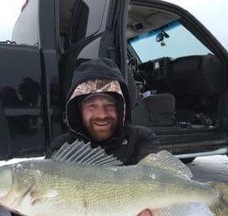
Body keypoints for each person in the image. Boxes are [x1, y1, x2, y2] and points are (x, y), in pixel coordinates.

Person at [48, 58, 161, 216]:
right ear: (78, 110)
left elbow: (162, 178)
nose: (101, 115)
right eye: (91, 106)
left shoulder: (141, 138)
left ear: (121, 108)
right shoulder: (62, 148)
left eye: (109, 105)